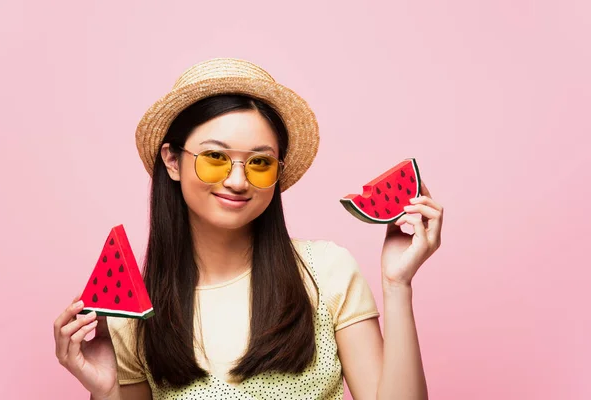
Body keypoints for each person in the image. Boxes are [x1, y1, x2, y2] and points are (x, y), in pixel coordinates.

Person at [53, 58, 444, 400]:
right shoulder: (131, 316)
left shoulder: (327, 272)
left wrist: (397, 285)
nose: (238, 181)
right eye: (215, 158)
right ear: (172, 160)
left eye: (259, 163)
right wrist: (105, 392)